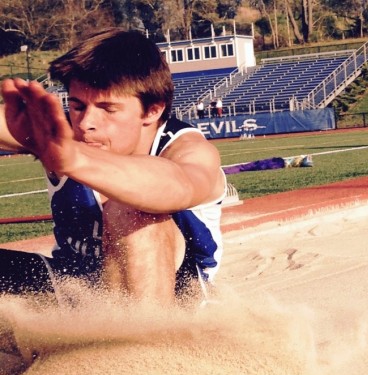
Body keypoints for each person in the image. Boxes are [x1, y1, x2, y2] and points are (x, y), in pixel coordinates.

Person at [0, 29, 227, 304]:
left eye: (108, 109)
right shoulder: (62, 134)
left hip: (176, 305)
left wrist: (75, 159)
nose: (85, 124)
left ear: (152, 110)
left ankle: (148, 346)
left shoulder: (188, 150)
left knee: (133, 210)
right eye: (77, 106)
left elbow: (176, 186)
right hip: (77, 295)